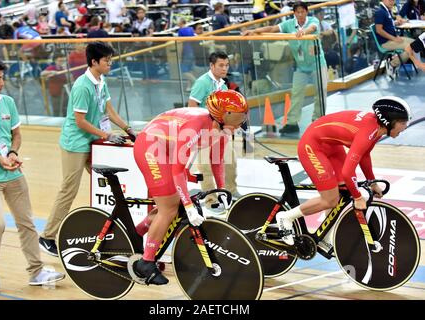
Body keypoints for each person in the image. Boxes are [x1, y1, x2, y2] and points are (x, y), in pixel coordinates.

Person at [132, 90, 248, 284]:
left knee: (171, 204)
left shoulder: (224, 130)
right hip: (151, 148)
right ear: (220, 116)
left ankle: (135, 233)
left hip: (169, 150)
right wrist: (188, 206)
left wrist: (221, 190)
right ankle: (146, 263)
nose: (239, 124)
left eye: (242, 117)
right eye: (236, 117)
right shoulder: (196, 127)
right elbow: (178, 171)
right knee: (169, 208)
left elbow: (217, 160)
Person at [0, 57, 65, 290]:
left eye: (2, 77)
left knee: (26, 223)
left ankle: (35, 272)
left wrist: (13, 152)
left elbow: (16, 135)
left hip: (13, 173)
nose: (2, 82)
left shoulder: (8, 103)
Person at [275, 96, 411, 250]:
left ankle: (324, 238)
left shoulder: (376, 129)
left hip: (330, 145)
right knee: (330, 200)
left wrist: (372, 183)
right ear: (388, 121)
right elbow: (348, 171)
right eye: (402, 123)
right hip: (312, 145)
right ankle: (285, 217)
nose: (405, 126)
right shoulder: (367, 133)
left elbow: (364, 156)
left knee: (341, 191)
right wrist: (358, 197)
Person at [39, 42, 135, 256]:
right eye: (106, 60)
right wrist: (107, 135)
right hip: (76, 144)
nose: (110, 63)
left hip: (93, 141)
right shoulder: (82, 86)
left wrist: (128, 129)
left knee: (110, 183)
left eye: (111, 60)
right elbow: (80, 121)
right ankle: (46, 237)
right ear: (94, 62)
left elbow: (109, 111)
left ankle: (112, 231)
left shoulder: (102, 81)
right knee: (68, 190)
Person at [243, 1, 328, 135]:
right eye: (297, 12)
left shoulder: (313, 20)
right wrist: (254, 31)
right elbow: (272, 29)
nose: (300, 14)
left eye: (302, 11)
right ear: (294, 13)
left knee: (320, 94)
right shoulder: (289, 24)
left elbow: (312, 28)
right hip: (301, 67)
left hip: (317, 64)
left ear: (306, 11)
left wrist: (303, 32)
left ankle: (318, 121)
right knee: (296, 94)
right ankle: (292, 123)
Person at [188, 51, 240, 208]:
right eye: (221, 65)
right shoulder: (202, 82)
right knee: (206, 167)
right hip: (205, 132)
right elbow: (192, 105)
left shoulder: (223, 84)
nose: (224, 68)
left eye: (227, 65)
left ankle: (231, 192)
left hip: (221, 131)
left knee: (230, 162)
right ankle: (211, 200)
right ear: (212, 66)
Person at [375, 0, 413, 79]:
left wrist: (397, 23)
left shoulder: (386, 10)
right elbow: (379, 30)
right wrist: (394, 39)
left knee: (415, 43)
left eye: (393, 0)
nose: (392, 2)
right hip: (386, 42)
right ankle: (392, 64)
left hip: (393, 38)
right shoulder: (380, 12)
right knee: (411, 47)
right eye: (390, 0)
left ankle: (393, 64)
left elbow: (388, 24)